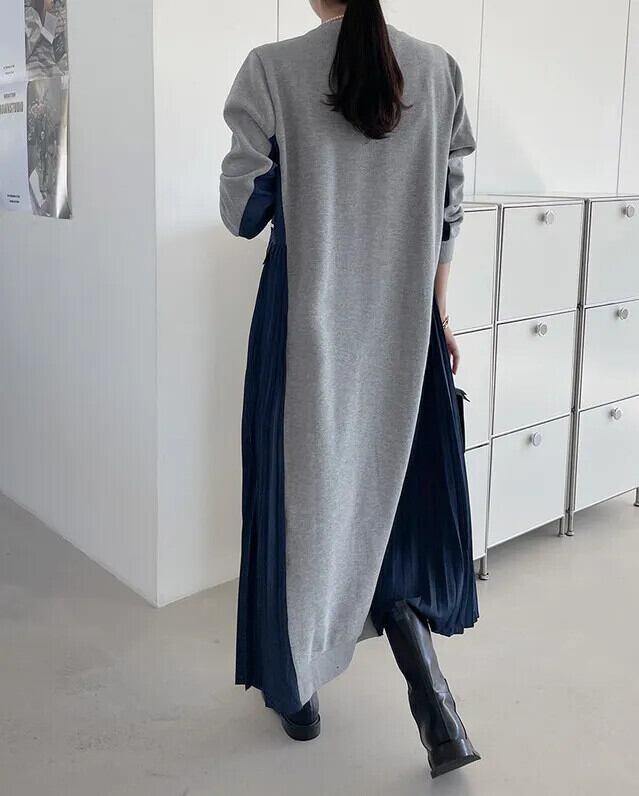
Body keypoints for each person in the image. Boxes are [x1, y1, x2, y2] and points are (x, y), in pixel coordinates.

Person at [219, 0, 479, 779]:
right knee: (391, 506)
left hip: (306, 326)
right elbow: (447, 209)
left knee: (301, 504)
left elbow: (242, 210)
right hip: (405, 325)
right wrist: (438, 315)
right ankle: (436, 710)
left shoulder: (270, 69)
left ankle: (297, 693)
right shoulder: (437, 69)